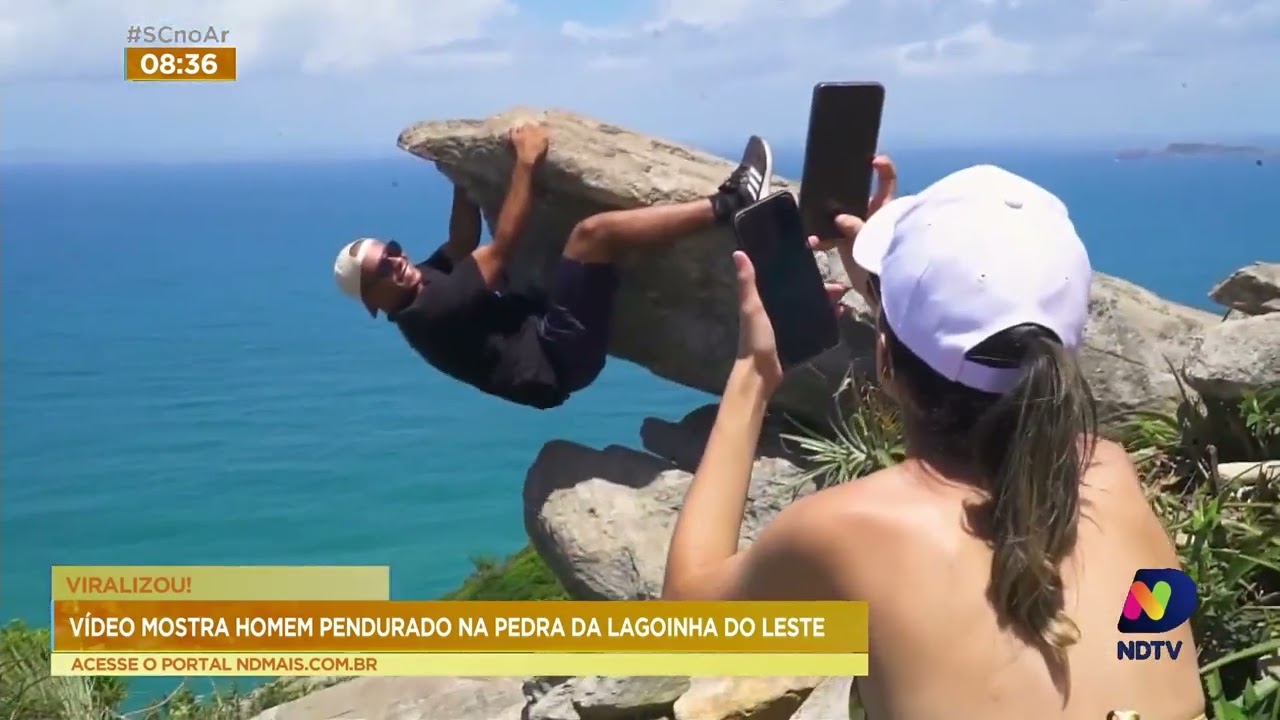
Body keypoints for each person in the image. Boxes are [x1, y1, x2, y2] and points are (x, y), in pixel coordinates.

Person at [660, 160, 1207, 719]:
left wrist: (754, 373)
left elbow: (682, 623)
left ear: (886, 359)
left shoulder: (850, 530)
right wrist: (897, 301)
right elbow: (988, 360)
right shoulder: (1109, 474)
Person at [333, 123, 775, 409]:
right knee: (592, 235)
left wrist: (462, 178)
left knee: (542, 264)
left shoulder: (416, 286)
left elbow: (461, 243)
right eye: (382, 269)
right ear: (373, 302)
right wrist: (527, 162)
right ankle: (732, 203)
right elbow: (502, 248)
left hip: (540, 333)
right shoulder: (431, 311)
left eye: (392, 251)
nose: (397, 262)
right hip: (557, 358)